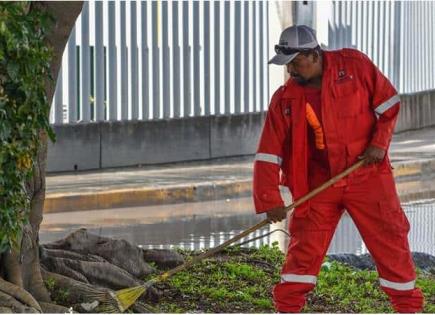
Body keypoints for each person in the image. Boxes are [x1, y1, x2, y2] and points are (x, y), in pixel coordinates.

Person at [253, 25, 424, 313]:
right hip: (317, 184)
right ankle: (287, 309)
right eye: (288, 64)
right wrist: (270, 200)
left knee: (390, 241)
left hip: (366, 175)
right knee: (303, 251)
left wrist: (379, 143)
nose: (291, 71)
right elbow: (269, 154)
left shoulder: (354, 66)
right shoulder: (285, 99)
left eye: (296, 63)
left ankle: (408, 309)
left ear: (313, 54)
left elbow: (389, 103)